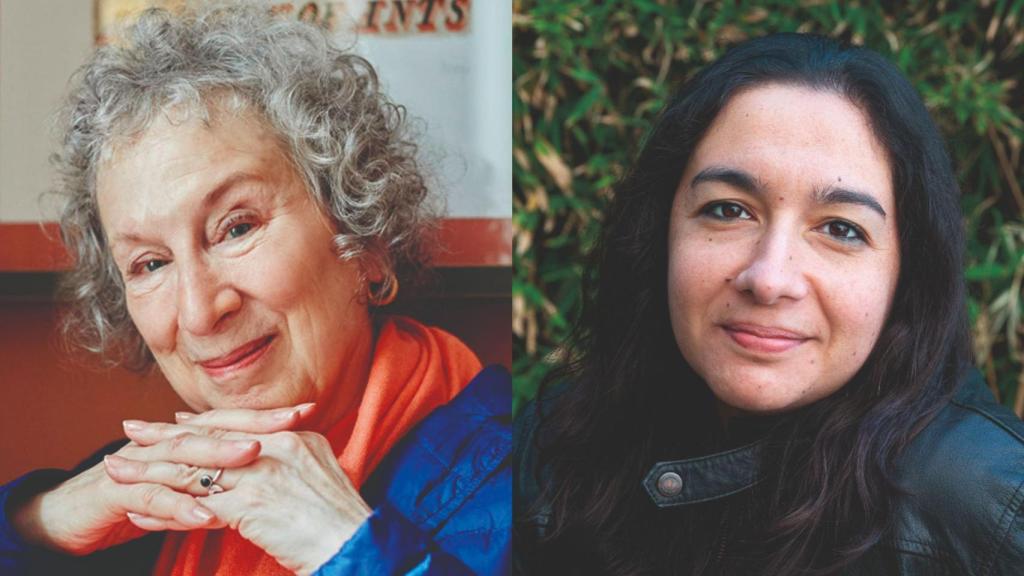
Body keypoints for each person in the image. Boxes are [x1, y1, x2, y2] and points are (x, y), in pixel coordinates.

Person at [0, 5, 509, 575]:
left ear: (364, 239)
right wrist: (36, 523)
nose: (197, 313)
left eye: (236, 228)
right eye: (149, 264)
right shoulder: (135, 498)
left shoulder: (529, 477)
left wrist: (345, 546)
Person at [514, 33, 1024, 575]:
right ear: (659, 231)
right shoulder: (553, 447)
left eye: (840, 229)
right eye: (729, 210)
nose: (769, 277)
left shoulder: (985, 504)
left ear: (907, 272)